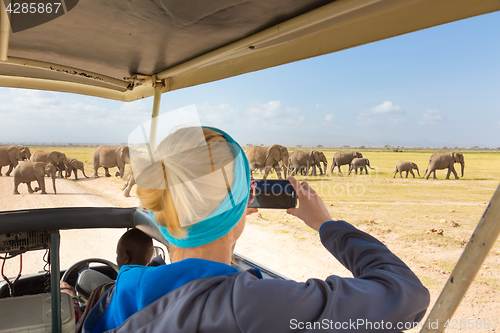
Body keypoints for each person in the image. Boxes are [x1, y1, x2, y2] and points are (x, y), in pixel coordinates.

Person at [83, 126, 430, 333]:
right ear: (244, 205)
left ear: (156, 210)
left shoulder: (117, 292)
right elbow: (408, 295)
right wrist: (327, 225)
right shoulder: (251, 304)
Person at [61, 229, 157, 325]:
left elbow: (81, 326)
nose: (116, 259)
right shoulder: (155, 286)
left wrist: (72, 297)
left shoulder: (106, 292)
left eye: (117, 254)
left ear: (126, 258)